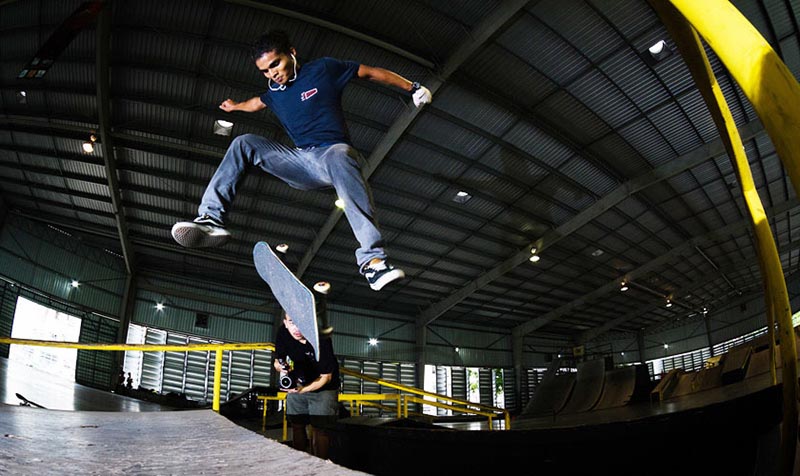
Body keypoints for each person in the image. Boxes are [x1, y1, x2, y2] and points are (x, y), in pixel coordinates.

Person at [172, 30, 432, 291]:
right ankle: (210, 219)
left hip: (333, 154)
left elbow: (372, 72)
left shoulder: (324, 69)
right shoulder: (273, 92)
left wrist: (413, 87)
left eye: (276, 64)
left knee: (339, 155)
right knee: (244, 142)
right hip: (300, 161)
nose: (272, 74)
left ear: (292, 53)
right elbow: (256, 104)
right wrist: (235, 106)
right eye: (265, 71)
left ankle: (373, 261)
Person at [273, 296, 340, 459]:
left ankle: (320, 465)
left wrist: (304, 390)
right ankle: (301, 464)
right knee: (297, 424)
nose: (296, 328)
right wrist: (281, 368)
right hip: (298, 384)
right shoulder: (283, 333)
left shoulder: (322, 339)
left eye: (301, 323)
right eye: (291, 322)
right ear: (285, 322)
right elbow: (277, 360)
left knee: (319, 429)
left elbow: (326, 378)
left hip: (323, 388)